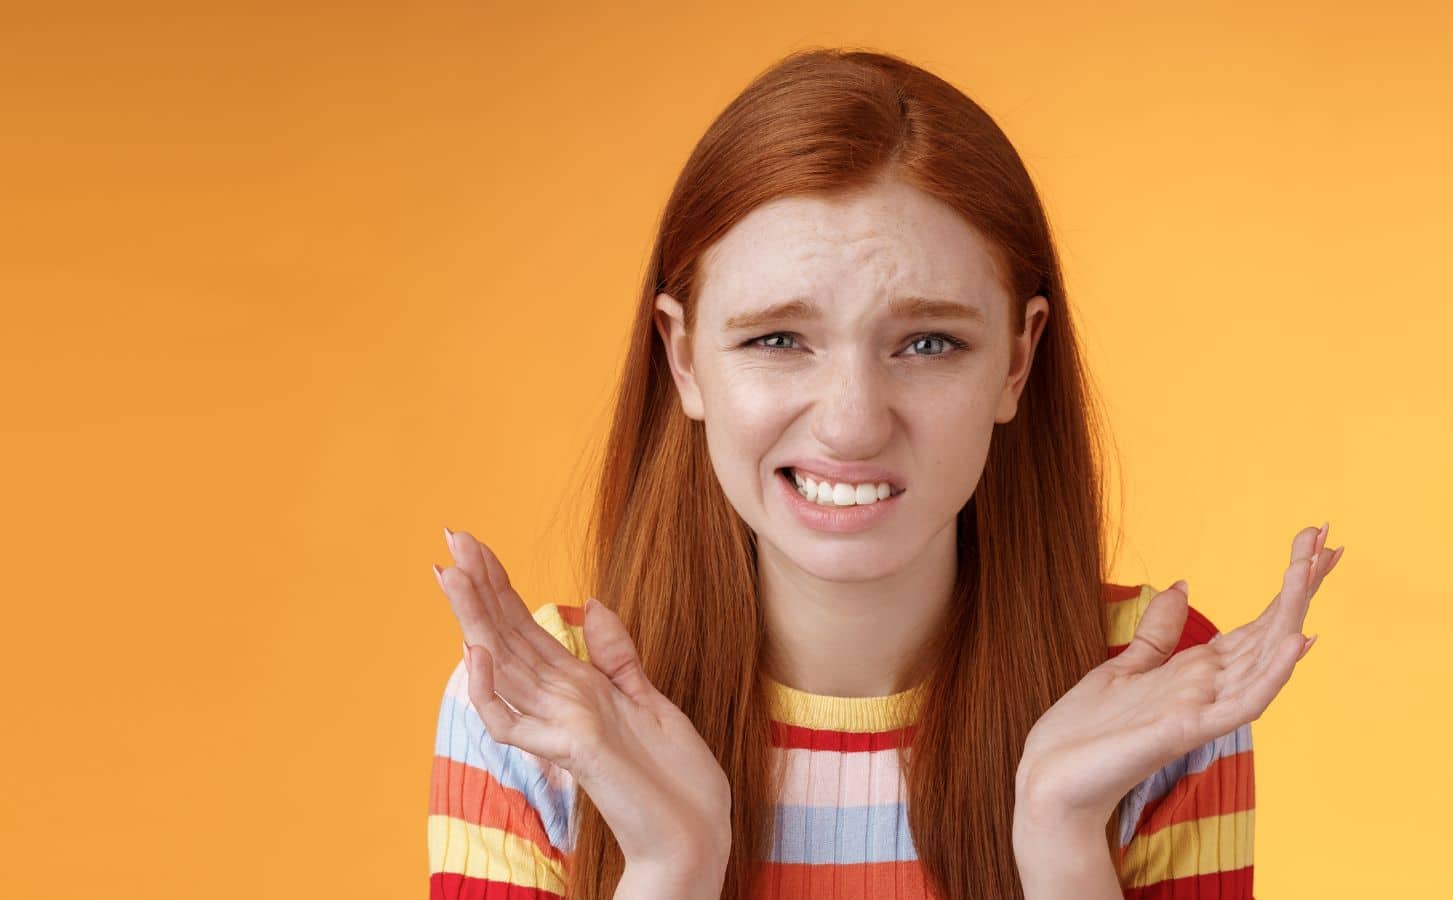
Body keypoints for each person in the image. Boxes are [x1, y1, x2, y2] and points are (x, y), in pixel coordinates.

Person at [426, 47, 1343, 900]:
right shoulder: (538, 707)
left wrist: (1063, 841)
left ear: (1017, 363)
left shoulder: (1157, 695)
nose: (853, 422)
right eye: (778, 338)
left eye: (929, 342)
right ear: (685, 359)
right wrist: (671, 866)